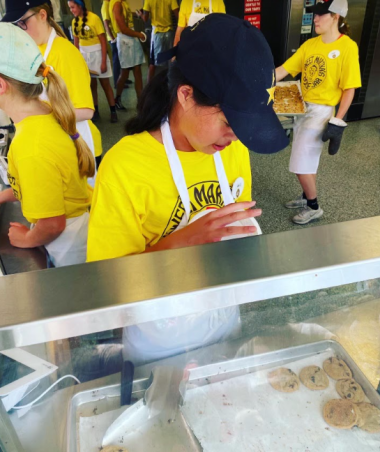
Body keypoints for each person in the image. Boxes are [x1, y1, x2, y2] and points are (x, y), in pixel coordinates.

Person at [87, 14, 289, 365]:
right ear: (185, 94)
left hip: (223, 323)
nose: (236, 137)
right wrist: (184, 241)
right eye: (229, 122)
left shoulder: (232, 150)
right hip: (158, 338)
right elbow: (106, 285)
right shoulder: (125, 166)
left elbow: (236, 232)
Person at [0, 23, 93, 267]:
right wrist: (3, 196)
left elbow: (53, 223)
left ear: (1, 85)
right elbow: (49, 182)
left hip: (68, 248)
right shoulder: (46, 113)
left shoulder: (30, 146)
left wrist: (27, 238)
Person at [276, 0, 361, 224]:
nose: (315, 18)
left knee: (300, 163)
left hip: (322, 113)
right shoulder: (310, 45)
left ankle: (314, 207)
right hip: (303, 108)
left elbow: (349, 88)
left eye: (321, 15)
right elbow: (284, 70)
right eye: (315, 14)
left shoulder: (348, 47)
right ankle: (306, 197)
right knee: (307, 160)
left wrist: (337, 121)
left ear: (336, 16)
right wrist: (258, 79)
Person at [1, 0, 103, 174]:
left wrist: (39, 119)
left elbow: (86, 111)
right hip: (55, 143)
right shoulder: (33, 50)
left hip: (79, 146)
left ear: (42, 15)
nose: (19, 30)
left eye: (23, 22)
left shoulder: (66, 53)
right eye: (15, 25)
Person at [68, 0, 118, 124]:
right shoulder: (74, 22)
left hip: (98, 54)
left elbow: (102, 41)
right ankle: (96, 111)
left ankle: (113, 111)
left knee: (105, 84)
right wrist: (77, 61)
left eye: (73, 7)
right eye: (70, 8)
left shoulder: (94, 18)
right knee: (92, 85)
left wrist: (103, 62)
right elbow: (76, 43)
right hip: (85, 57)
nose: (71, 10)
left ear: (80, 6)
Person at [110, 0, 146, 109]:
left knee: (137, 71)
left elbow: (127, 21)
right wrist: (139, 34)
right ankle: (117, 99)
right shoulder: (117, 4)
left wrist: (138, 14)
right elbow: (123, 29)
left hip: (131, 39)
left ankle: (140, 103)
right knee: (125, 72)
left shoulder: (123, 3)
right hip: (125, 41)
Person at [136, 0, 179, 83]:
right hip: (169, 32)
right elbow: (178, 15)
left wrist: (140, 15)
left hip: (157, 34)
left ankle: (150, 86)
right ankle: (170, 84)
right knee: (170, 60)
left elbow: (145, 19)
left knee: (153, 62)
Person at [101, 0, 121, 89]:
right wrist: (112, 38)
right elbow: (106, 24)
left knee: (120, 60)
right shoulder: (105, 5)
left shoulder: (110, 3)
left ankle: (122, 79)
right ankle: (117, 82)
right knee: (116, 60)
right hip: (113, 38)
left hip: (116, 36)